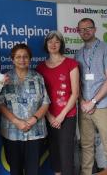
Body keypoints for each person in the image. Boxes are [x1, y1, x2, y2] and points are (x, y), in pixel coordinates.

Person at [75, 18, 107, 175]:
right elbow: (78, 82)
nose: (85, 31)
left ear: (95, 29)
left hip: (103, 106)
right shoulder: (78, 53)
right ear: (78, 32)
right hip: (84, 107)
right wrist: (82, 101)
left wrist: (93, 101)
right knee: (86, 146)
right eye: (81, 29)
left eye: (88, 28)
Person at [0, 44, 50, 175]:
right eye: (18, 57)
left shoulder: (38, 78)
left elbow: (45, 103)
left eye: (25, 57)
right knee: (15, 171)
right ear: (12, 59)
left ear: (30, 59)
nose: (22, 60)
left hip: (35, 132)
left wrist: (33, 120)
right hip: (12, 133)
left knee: (33, 170)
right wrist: (16, 121)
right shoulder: (5, 79)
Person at [36, 31, 79, 175]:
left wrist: (61, 116)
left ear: (61, 44)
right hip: (49, 116)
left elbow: (75, 93)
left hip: (67, 116)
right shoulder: (40, 68)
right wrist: (49, 116)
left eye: (57, 42)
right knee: (54, 152)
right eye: (50, 42)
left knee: (66, 154)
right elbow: (41, 96)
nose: (53, 45)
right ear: (46, 45)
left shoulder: (71, 64)